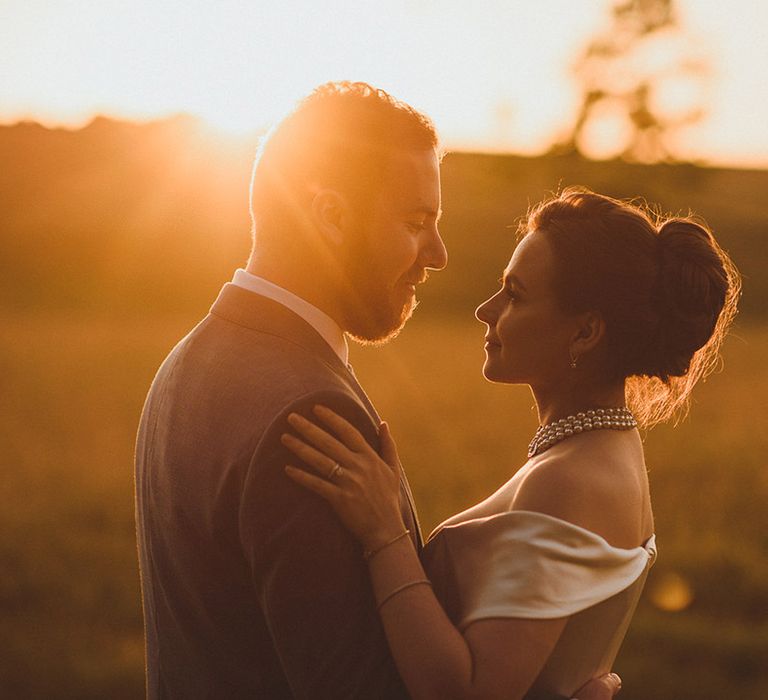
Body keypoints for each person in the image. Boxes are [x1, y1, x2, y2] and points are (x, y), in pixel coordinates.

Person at [135, 81, 620, 700]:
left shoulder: (186, 361)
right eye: (416, 223)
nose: (438, 254)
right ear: (331, 216)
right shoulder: (310, 412)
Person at [281, 188, 740, 699]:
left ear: (586, 332)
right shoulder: (605, 450)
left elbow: (471, 692)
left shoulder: (569, 481)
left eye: (516, 294)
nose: (485, 310)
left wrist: (384, 534)